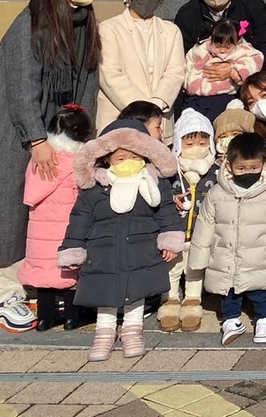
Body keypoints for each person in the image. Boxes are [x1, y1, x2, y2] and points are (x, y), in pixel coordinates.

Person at [0, 0, 102, 333]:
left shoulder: (82, 23)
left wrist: (82, 133)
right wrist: (36, 139)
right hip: (21, 134)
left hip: (64, 132)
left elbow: (88, 80)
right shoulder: (29, 24)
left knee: (56, 211)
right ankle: (5, 297)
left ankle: (45, 282)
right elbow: (21, 87)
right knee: (9, 208)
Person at [57, 120, 184, 361]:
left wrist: (169, 239)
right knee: (104, 289)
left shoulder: (154, 183)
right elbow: (80, 219)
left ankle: (132, 331)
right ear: (107, 159)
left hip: (141, 247)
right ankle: (104, 332)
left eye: (135, 157)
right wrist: (73, 248)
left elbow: (166, 212)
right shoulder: (96, 188)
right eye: (121, 158)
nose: (129, 162)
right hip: (103, 249)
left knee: (137, 290)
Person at [188, 132, 266, 346]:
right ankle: (231, 320)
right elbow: (204, 228)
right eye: (241, 168)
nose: (248, 172)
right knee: (228, 293)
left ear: (263, 164)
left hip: (260, 258)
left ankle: (264, 319)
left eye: (254, 168)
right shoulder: (217, 194)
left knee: (262, 292)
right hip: (226, 257)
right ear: (229, 166)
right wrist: (198, 260)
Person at [21, 105, 94, 331]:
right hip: (68, 227)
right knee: (69, 271)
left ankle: (45, 318)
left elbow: (30, 193)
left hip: (39, 228)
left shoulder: (39, 160)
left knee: (43, 272)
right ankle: (72, 317)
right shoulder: (78, 162)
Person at [96, 0, 186, 135]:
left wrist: (157, 104)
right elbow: (110, 74)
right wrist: (143, 111)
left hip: (159, 120)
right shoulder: (109, 28)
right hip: (120, 117)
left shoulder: (171, 31)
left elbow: (175, 72)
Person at [161, 107, 219, 334]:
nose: (197, 148)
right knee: (172, 268)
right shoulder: (169, 172)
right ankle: (170, 300)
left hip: (201, 233)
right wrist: (170, 199)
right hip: (174, 233)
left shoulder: (216, 171)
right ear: (179, 143)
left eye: (203, 143)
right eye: (190, 143)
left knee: (195, 268)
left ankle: (193, 301)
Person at [180, 19, 264, 121]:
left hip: (223, 96)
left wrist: (238, 70)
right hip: (196, 96)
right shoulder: (201, 49)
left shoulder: (241, 50)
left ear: (237, 42)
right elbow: (187, 64)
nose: (222, 50)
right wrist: (187, 82)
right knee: (191, 121)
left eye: (227, 47)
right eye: (218, 46)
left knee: (222, 122)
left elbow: (256, 59)